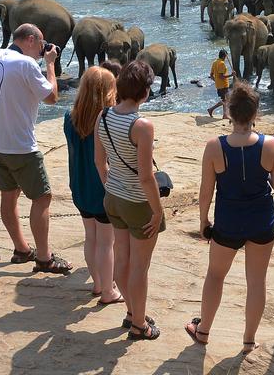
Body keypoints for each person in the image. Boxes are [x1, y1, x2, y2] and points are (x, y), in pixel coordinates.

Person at [185, 82, 274, 354]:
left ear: (229, 113)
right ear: (256, 114)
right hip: (261, 221)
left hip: (228, 221)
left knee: (215, 276)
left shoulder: (214, 146)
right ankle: (248, 340)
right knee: (256, 282)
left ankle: (204, 330)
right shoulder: (272, 145)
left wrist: (203, 221)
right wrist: (265, 173)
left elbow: (206, 190)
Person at [0, 23, 71, 274]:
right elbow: (52, 97)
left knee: (9, 194)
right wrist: (51, 64)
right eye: (41, 46)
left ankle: (21, 249)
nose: (42, 51)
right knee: (42, 198)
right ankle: (44, 258)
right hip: (20, 145)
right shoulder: (27, 64)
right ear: (31, 40)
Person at [95, 60, 164, 340]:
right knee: (140, 268)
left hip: (113, 197)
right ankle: (139, 324)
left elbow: (100, 163)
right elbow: (147, 178)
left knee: (122, 261)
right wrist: (157, 211)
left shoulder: (103, 115)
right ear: (145, 91)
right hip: (138, 203)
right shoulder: (142, 125)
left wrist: (114, 188)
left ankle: (132, 311)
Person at [65, 66, 124, 304]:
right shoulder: (107, 121)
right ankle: (109, 291)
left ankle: (98, 284)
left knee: (90, 237)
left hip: (79, 186)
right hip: (102, 186)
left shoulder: (69, 118)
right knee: (107, 242)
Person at [207, 50, 233, 119]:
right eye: (226, 56)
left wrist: (216, 81)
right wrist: (231, 75)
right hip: (223, 85)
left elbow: (211, 75)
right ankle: (211, 109)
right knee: (225, 100)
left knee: (225, 99)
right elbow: (221, 76)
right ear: (224, 56)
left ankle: (225, 115)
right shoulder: (221, 63)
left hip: (219, 85)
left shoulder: (215, 62)